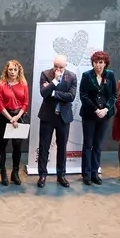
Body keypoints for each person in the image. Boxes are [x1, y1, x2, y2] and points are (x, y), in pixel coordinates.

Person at [37, 54, 77, 188]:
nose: (57, 70)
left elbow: (71, 97)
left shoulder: (72, 76)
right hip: (48, 117)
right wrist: (54, 81)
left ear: (66, 66)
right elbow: (43, 93)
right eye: (55, 66)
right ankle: (42, 175)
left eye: (60, 67)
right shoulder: (45, 74)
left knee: (62, 147)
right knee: (44, 147)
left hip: (63, 117)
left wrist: (53, 93)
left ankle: (61, 175)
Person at [79, 51, 117, 186]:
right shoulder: (86, 76)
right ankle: (87, 174)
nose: (98, 65)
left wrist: (106, 109)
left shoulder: (110, 75)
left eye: (101, 62)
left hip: (105, 115)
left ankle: (95, 173)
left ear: (105, 63)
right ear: (92, 63)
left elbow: (114, 95)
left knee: (98, 145)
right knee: (88, 144)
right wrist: (95, 110)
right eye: (96, 62)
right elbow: (83, 95)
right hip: (90, 115)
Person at [0, 60, 29, 186]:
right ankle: (3, 172)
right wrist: (10, 118)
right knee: (2, 146)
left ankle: (15, 173)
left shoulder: (23, 84)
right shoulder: (1, 85)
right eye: (10, 69)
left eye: (15, 69)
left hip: (19, 116)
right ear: (6, 70)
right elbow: (0, 105)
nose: (13, 72)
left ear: (19, 70)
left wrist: (17, 117)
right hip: (5, 117)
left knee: (17, 146)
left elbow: (26, 103)